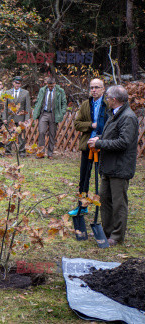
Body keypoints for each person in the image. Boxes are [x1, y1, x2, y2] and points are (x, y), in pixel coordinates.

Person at [88, 85, 138, 246]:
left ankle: (117, 236)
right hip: (109, 166)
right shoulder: (115, 114)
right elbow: (112, 135)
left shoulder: (128, 117)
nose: (106, 100)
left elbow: (123, 142)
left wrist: (100, 143)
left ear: (114, 100)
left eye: (108, 98)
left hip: (120, 168)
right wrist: (98, 139)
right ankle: (107, 231)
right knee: (105, 200)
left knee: (118, 204)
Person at [68, 79, 109, 216]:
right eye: (91, 87)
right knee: (84, 177)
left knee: (103, 178)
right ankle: (82, 206)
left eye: (97, 87)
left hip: (104, 146)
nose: (94, 90)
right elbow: (77, 124)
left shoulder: (108, 105)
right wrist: (91, 125)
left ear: (103, 89)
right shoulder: (86, 105)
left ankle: (103, 207)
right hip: (88, 145)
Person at [33, 77, 67, 159]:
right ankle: (41, 152)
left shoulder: (60, 91)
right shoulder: (43, 90)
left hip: (54, 114)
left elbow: (64, 103)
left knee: (52, 134)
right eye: (49, 86)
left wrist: (61, 113)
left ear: (55, 84)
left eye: (52, 86)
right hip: (44, 113)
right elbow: (38, 101)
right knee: (41, 131)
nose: (50, 87)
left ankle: (50, 153)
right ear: (47, 84)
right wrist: (36, 111)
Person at [3, 76, 31, 157]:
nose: (17, 85)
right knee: (9, 135)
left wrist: (26, 119)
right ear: (13, 83)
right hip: (10, 118)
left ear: (21, 84)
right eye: (16, 83)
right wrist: (4, 118)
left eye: (19, 83)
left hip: (21, 118)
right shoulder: (7, 92)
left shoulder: (25, 93)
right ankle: (8, 152)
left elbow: (27, 107)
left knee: (21, 137)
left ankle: (22, 152)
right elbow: (5, 107)